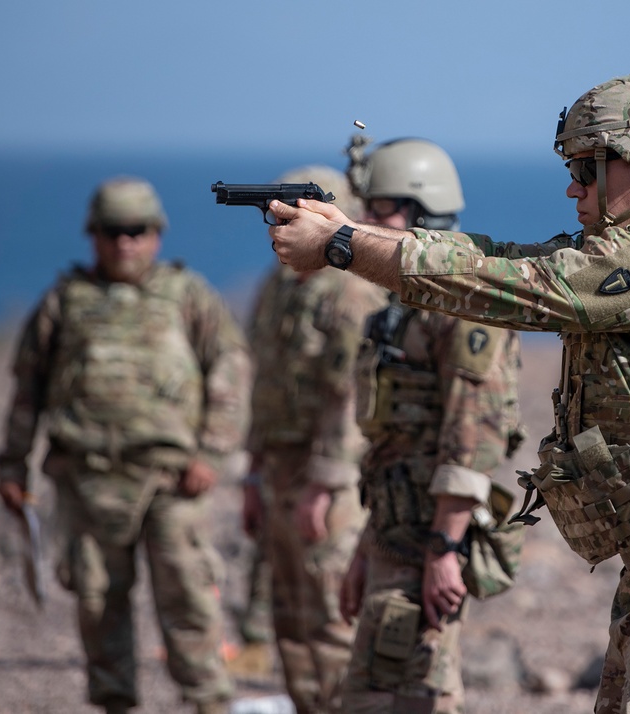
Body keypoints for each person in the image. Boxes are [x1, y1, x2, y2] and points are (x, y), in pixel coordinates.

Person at [268, 71, 630, 713]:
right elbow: (495, 257)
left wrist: (344, 246)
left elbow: (504, 285)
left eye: (587, 167)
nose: (573, 185)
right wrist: (354, 231)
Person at [0, 177, 251, 714]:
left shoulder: (188, 296)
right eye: (112, 232)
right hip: (87, 478)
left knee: (188, 599)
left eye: (136, 231)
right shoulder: (65, 302)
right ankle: (115, 703)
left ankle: (209, 702)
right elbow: (28, 390)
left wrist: (212, 452)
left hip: (170, 481)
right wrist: (12, 465)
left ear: (156, 234)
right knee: (97, 602)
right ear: (94, 235)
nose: (124, 244)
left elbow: (230, 372)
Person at [335, 136, 524, 713]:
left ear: (423, 212)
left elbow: (475, 435)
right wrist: (368, 547)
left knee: (416, 693)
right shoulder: (401, 310)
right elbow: (394, 440)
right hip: (394, 532)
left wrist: (445, 545)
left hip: (428, 540)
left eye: (381, 209)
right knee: (373, 694)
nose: (365, 221)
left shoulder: (458, 304)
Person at [241, 165, 387, 713]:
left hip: (328, 478)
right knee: (288, 615)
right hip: (278, 469)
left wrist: (324, 484)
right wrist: (252, 475)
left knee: (330, 618)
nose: (280, 231)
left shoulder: (351, 296)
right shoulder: (276, 288)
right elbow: (263, 384)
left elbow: (351, 396)